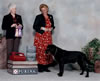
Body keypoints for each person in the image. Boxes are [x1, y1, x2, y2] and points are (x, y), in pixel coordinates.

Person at [33, 4, 55, 72]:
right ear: (41, 11)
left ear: (47, 9)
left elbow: (53, 26)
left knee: (47, 50)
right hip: (40, 36)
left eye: (45, 9)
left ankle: (46, 66)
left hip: (48, 36)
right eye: (42, 10)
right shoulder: (38, 17)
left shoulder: (51, 16)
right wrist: (42, 28)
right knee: (40, 51)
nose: (44, 11)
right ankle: (40, 67)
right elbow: (34, 26)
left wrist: (51, 28)